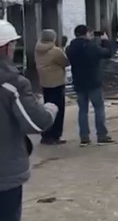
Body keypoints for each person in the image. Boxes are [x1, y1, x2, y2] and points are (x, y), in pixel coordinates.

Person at [0, 19, 58, 221]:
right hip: (4, 173)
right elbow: (37, 123)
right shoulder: (12, 83)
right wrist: (50, 108)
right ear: (6, 47)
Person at [65, 25, 115, 146]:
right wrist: (105, 41)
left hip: (78, 82)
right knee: (99, 109)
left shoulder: (70, 48)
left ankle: (84, 138)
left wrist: (88, 40)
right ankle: (101, 136)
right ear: (87, 33)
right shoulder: (92, 46)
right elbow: (108, 53)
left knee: (82, 110)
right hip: (93, 81)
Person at [35, 29, 69, 145]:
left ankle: (45, 135)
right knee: (58, 110)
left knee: (47, 108)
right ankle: (55, 136)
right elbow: (65, 62)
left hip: (44, 83)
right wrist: (62, 48)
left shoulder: (37, 49)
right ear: (53, 38)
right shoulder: (55, 51)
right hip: (56, 83)